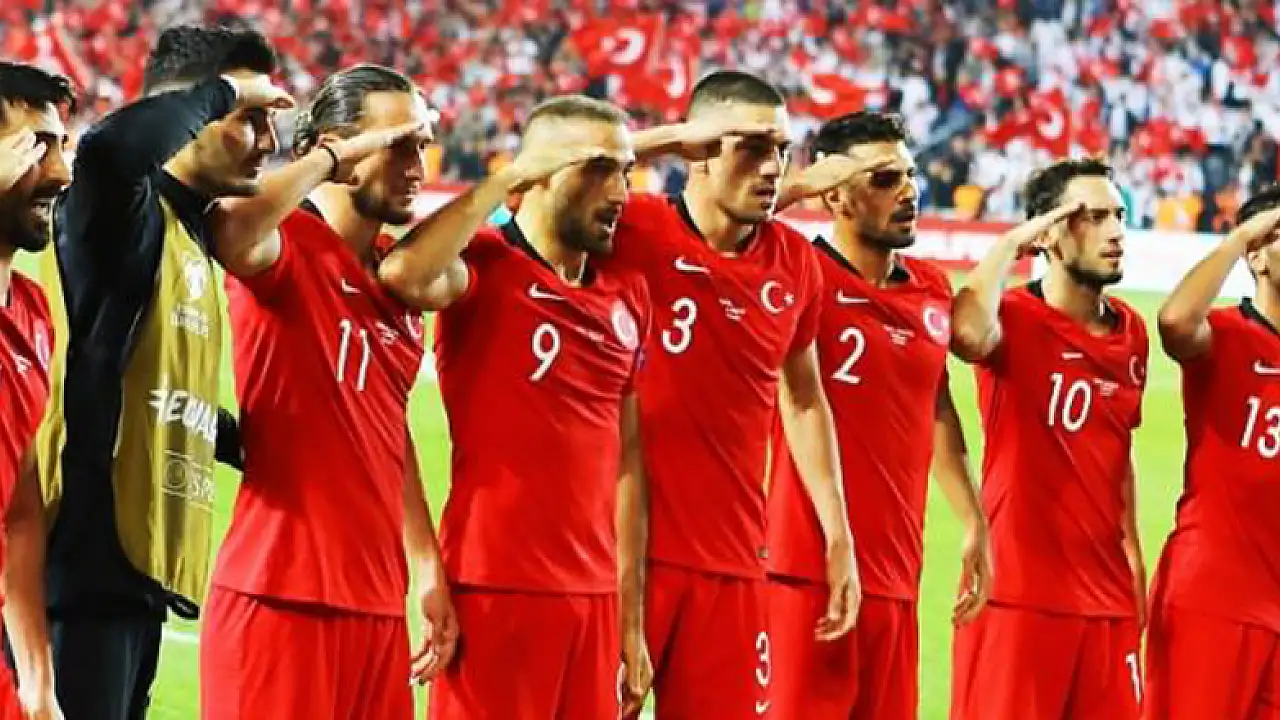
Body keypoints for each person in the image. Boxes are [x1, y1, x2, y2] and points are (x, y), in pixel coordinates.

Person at [197, 63, 471, 719]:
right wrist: (328, 160)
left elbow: (385, 425)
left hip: (377, 607)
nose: (416, 166)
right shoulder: (287, 242)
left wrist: (425, 564)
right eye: (397, 145)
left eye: (422, 144)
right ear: (340, 147)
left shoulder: (396, 278)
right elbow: (228, 229)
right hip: (281, 596)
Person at [34, 25, 291, 720]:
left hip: (137, 574)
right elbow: (109, 150)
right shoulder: (122, 210)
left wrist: (242, 440)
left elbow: (149, 382)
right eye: (250, 119)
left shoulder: (190, 233)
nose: (268, 140)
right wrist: (227, 89)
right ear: (194, 111)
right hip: (82, 576)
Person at [376, 94, 649, 719]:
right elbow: (404, 276)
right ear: (539, 173)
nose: (620, 193)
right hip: (495, 590)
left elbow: (629, 461)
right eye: (598, 170)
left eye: (626, 172)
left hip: (596, 603)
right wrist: (504, 179)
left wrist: (630, 619)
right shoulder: (484, 264)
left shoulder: (627, 293)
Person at [607, 70, 859, 718]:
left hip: (734, 562)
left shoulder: (795, 262)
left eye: (781, 149)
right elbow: (526, 196)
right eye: (751, 147)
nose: (773, 167)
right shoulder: (630, 228)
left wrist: (838, 533)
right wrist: (663, 140)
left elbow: (804, 399)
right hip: (614, 555)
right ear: (698, 149)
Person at [766, 111, 992, 719]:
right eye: (885, 179)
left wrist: (973, 519)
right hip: (805, 570)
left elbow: (936, 403)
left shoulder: (931, 288)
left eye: (910, 175)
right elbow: (724, 227)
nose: (909, 191)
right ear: (834, 194)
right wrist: (798, 186)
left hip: (897, 575)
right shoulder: (795, 269)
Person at [949, 158, 1148, 719]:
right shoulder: (1011, 317)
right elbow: (965, 334)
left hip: (1107, 599)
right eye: (1093, 217)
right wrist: (1013, 241)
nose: (1115, 231)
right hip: (1016, 593)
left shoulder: (1132, 332)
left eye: (1118, 215)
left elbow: (1118, 445)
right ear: (1049, 233)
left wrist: (1134, 554)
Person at [1145, 186, 1280, 719]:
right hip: (1215, 596)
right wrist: (1239, 237)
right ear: (1257, 256)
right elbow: (1175, 322)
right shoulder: (1226, 335)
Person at [0, 61, 73, 720]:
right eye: (35, 148)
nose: (61, 172)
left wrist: (37, 680)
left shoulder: (32, 311)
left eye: (61, 146)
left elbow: (20, 512)